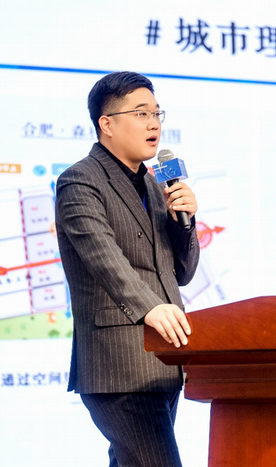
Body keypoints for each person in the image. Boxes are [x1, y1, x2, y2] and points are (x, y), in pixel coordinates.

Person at [55, 71, 200, 467]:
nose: (153, 124)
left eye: (156, 113)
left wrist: (185, 221)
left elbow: (181, 273)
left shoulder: (154, 185)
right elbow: (103, 257)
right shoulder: (80, 181)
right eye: (140, 113)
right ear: (107, 123)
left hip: (164, 361)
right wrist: (149, 307)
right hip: (119, 367)